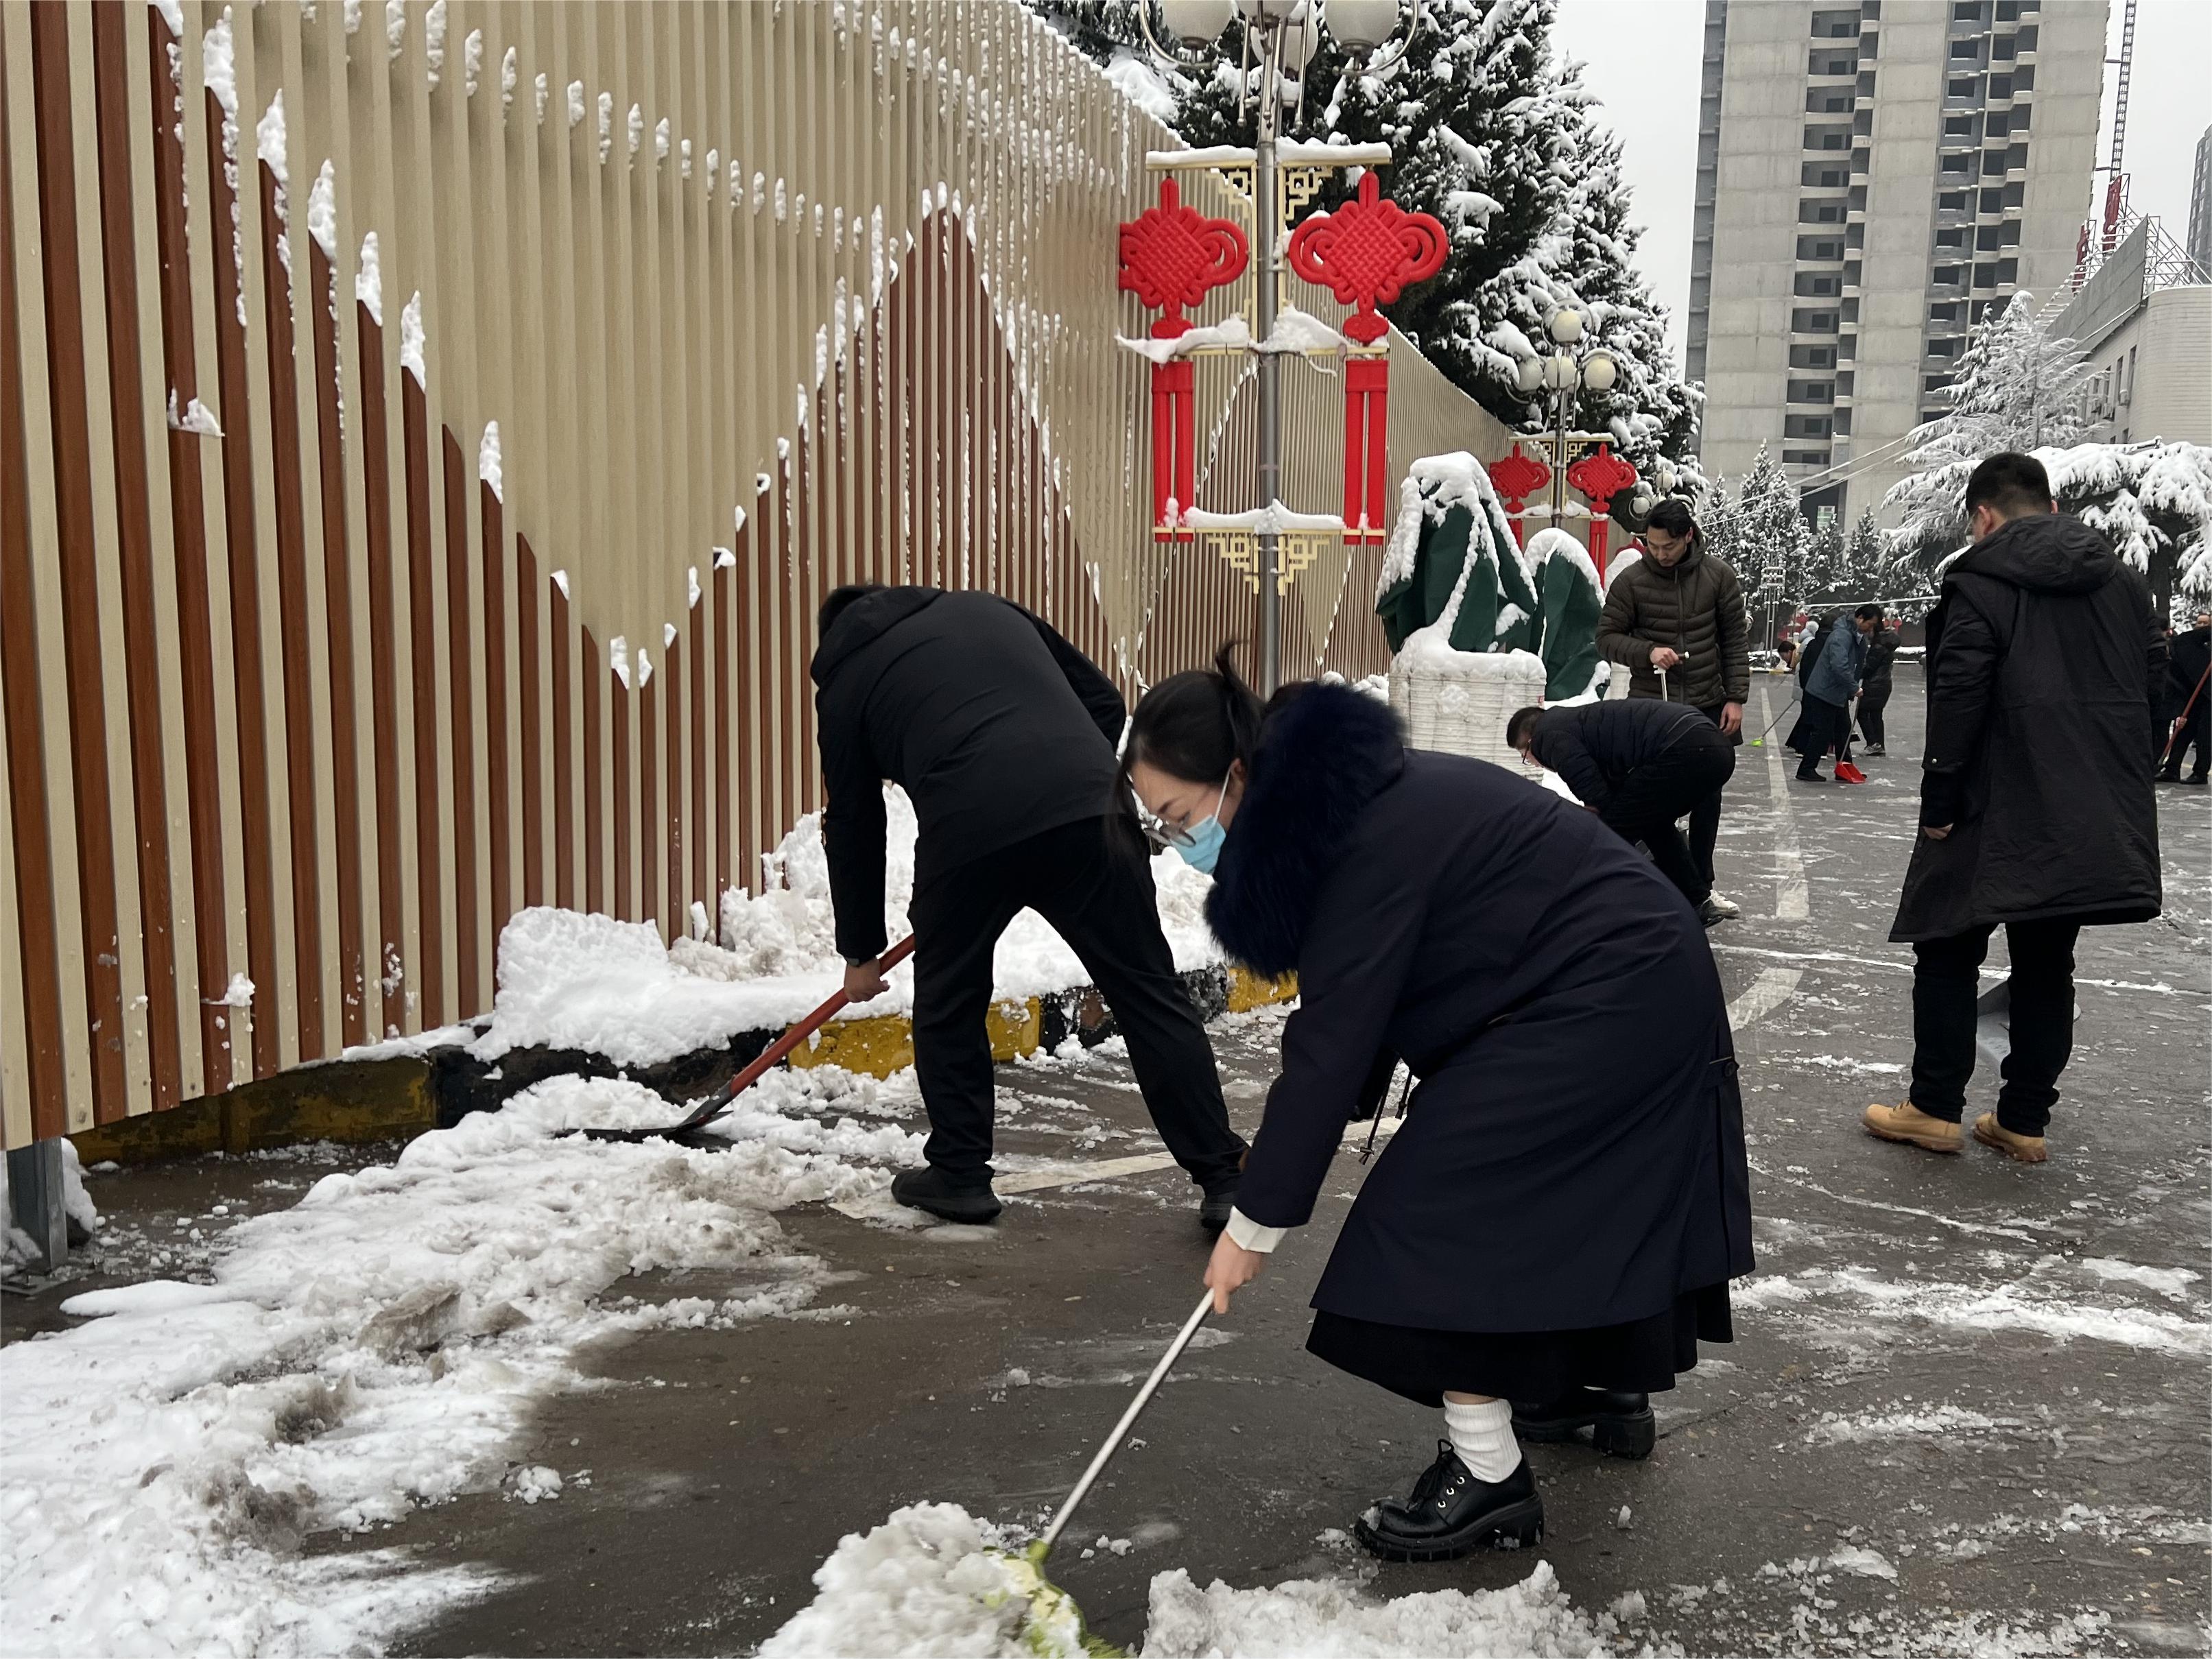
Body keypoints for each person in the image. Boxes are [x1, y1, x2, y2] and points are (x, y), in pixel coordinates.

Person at [1126, 658, 1753, 1562]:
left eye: (1181, 817)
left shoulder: (1352, 834)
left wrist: (1255, 1218)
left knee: (1434, 1217)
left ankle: (1488, 1476)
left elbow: (1330, 1041)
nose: (1180, 842)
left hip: (1601, 999)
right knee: (1566, 1206)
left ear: (1235, 776)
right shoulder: (1353, 800)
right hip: (1635, 982)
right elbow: (1371, 996)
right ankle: (1589, 1390)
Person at [812, 585, 1248, 1227]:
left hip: (965, 827)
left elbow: (853, 821)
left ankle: (959, 1171)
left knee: (951, 998)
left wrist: (859, 952)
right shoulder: (985, 609)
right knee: (1148, 994)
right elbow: (1102, 699)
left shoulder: (847, 680)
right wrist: (1068, 785)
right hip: (1089, 810)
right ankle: (1222, 1174)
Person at [1865, 454, 2163, 1165]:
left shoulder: (1981, 579)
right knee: (2046, 961)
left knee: (1946, 947)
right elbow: (2155, 688)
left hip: (1988, 797)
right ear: (2053, 506)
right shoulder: (2126, 585)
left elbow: (1960, 693)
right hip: (2084, 800)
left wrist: (1940, 797)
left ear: (1983, 516)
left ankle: (1935, 1107)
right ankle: (2024, 1119)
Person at [1597, 497, 1750, 919]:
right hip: (1650, 712)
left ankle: (1701, 888)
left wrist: (1735, 697)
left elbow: (1736, 641)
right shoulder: (1630, 582)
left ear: (1688, 536)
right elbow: (1606, 637)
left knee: (1707, 801)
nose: (1659, 554)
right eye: (1652, 546)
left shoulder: (1719, 577)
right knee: (1649, 798)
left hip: (1706, 706)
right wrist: (1647, 651)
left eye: (1668, 546)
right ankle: (1647, 882)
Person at [1506, 700, 1738, 922]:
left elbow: (1597, 797)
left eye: (1525, 755)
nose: (1532, 762)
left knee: (1610, 834)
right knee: (1653, 823)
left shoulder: (1549, 737)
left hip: (1685, 748)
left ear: (1530, 740)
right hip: (1713, 747)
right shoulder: (1578, 722)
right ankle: (1696, 901)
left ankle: (1582, 909)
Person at [1791, 606, 1873, 782]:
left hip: (1837, 692)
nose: (1871, 629)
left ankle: (1844, 767)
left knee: (1843, 730)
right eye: (1870, 624)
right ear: (1860, 619)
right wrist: (1853, 687)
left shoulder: (1855, 637)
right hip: (1824, 691)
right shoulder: (1841, 636)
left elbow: (1855, 664)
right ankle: (1806, 769)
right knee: (1823, 731)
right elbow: (1839, 666)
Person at [2157, 610, 2210, 785]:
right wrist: (2179, 712)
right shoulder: (2162, 660)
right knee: (2183, 731)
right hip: (2192, 694)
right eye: (2199, 622)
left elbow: (2207, 633)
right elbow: (2175, 686)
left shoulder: (2185, 640)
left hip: (2209, 692)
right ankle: (2172, 769)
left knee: (2205, 733)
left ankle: (2200, 773)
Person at [1855, 611, 1902, 755]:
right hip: (1884, 684)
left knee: (1862, 713)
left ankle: (1873, 743)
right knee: (1876, 715)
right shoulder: (1887, 648)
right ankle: (1879, 744)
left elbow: (1869, 668)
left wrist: (1856, 673)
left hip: (1874, 684)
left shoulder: (1877, 648)